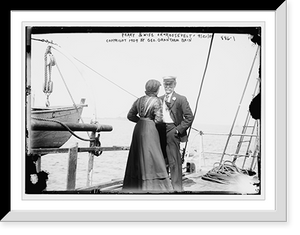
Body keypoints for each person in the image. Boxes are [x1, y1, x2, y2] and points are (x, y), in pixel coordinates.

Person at [122, 79, 173, 193]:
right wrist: (149, 122)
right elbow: (159, 119)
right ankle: (155, 184)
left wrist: (141, 121)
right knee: (153, 155)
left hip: (139, 128)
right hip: (150, 129)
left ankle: (135, 183)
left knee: (137, 155)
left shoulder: (139, 100)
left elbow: (130, 116)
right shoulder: (157, 101)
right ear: (155, 89)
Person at [157, 76, 194, 191]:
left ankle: (177, 188)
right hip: (160, 130)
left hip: (173, 130)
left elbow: (189, 117)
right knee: (161, 159)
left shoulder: (181, 99)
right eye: (166, 85)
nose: (168, 87)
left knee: (174, 160)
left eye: (170, 85)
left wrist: (178, 129)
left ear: (175, 85)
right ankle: (163, 186)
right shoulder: (159, 99)